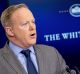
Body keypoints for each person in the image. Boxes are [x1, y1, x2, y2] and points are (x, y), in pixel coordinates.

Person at [0, 4, 75, 74]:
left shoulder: (51, 53)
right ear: (10, 31)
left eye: (33, 22)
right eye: (25, 24)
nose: (32, 27)